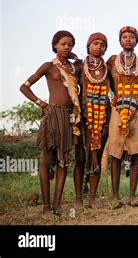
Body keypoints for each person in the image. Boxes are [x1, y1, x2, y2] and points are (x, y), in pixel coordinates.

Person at [20, 30, 81, 215]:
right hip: (52, 113)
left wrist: (76, 59)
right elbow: (24, 87)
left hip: (68, 116)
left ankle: (57, 205)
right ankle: (46, 207)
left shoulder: (74, 68)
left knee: (63, 161)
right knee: (46, 161)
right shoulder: (48, 66)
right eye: (63, 44)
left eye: (70, 44)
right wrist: (41, 103)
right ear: (55, 45)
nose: (67, 47)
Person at [105, 26, 138, 209]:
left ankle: (133, 196)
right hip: (118, 110)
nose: (128, 39)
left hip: (137, 111)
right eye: (124, 37)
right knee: (116, 152)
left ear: (137, 40)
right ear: (119, 40)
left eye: (132, 37)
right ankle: (114, 197)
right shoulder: (112, 60)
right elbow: (105, 79)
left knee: (135, 152)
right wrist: (117, 98)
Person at [74, 32, 111, 210]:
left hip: (103, 119)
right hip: (84, 119)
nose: (99, 47)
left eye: (102, 45)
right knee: (81, 158)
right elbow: (70, 86)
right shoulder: (80, 67)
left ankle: (92, 199)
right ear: (88, 46)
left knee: (96, 154)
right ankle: (78, 200)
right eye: (95, 43)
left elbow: (116, 91)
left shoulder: (108, 68)